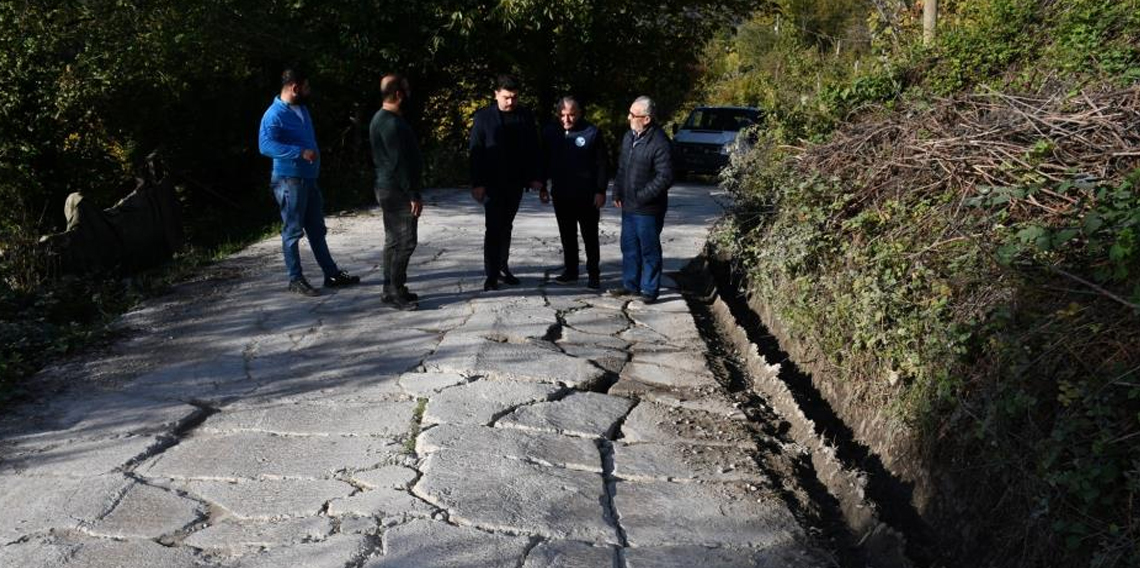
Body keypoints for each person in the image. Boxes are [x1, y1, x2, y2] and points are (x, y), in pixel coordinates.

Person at [258, 67, 359, 297]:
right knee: (292, 231)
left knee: (317, 229)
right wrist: (299, 152)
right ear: (295, 87)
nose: (309, 90)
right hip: (288, 180)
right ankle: (295, 279)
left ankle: (331, 275)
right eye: (306, 86)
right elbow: (265, 146)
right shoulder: (274, 114)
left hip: (308, 180)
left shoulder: (301, 109)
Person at [468, 74, 544, 291]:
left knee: (506, 226)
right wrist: (477, 183)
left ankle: (502, 267)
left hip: (515, 183)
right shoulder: (483, 118)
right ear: (496, 94)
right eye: (506, 97)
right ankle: (491, 274)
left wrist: (537, 177)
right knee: (493, 228)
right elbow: (476, 152)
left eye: (515, 97)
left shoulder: (525, 116)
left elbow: (533, 148)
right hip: (491, 183)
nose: (511, 102)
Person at [611, 96, 673, 303]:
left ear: (646, 119)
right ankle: (631, 285)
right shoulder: (629, 137)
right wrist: (617, 191)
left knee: (649, 249)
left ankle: (649, 289)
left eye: (633, 115)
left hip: (648, 209)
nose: (629, 117)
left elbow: (665, 177)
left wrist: (642, 196)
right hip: (628, 206)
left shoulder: (660, 142)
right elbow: (622, 168)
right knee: (629, 247)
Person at [540, 96, 607, 290]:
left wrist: (600, 191)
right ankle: (571, 271)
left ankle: (594, 274)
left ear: (579, 113)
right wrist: (543, 186)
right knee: (567, 234)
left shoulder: (591, 132)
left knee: (590, 236)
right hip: (561, 194)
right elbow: (544, 161)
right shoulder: (549, 132)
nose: (566, 119)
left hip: (587, 195)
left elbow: (602, 164)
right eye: (563, 115)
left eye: (571, 114)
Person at [369, 74, 423, 310]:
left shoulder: (383, 118)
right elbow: (399, 162)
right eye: (407, 90)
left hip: (388, 188)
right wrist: (413, 193)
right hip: (396, 190)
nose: (410, 94)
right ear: (399, 94)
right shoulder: (389, 123)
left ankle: (391, 288)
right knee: (406, 241)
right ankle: (394, 290)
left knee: (393, 240)